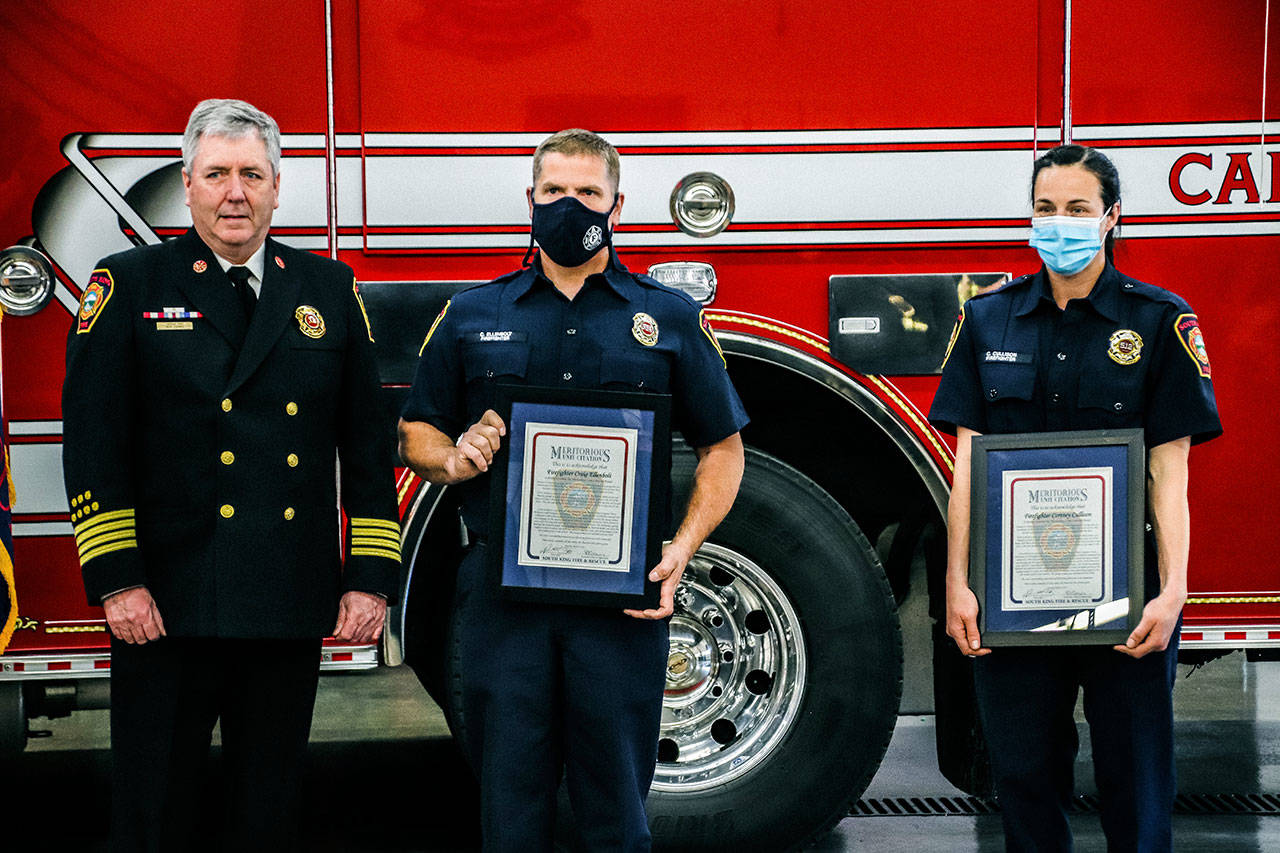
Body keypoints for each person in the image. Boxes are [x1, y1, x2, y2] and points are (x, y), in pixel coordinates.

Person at [61, 99, 401, 851]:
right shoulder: (128, 285)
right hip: (165, 605)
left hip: (284, 598)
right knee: (154, 814)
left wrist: (370, 575)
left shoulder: (326, 290)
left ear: (279, 187)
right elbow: (93, 445)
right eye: (217, 174)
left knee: (268, 813)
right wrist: (118, 578)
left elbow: (367, 447)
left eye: (252, 173)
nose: (235, 192)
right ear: (187, 185)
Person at [397, 128, 748, 851]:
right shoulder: (472, 313)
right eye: (554, 191)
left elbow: (724, 446)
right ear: (529, 198)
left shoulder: (668, 317)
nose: (569, 205)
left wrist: (681, 549)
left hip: (621, 604)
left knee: (616, 808)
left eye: (587, 192)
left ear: (619, 201)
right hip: (504, 599)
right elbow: (415, 433)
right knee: (510, 808)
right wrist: (455, 456)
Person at [929, 144, 1222, 851]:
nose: (1059, 223)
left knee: (1135, 773)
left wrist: (1175, 589)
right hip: (1011, 593)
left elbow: (1168, 470)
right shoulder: (987, 319)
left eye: (1078, 210)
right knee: (1025, 775)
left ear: (1111, 217)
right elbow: (967, 460)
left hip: (1128, 593)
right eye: (1045, 208)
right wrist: (958, 583)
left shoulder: (1158, 320)